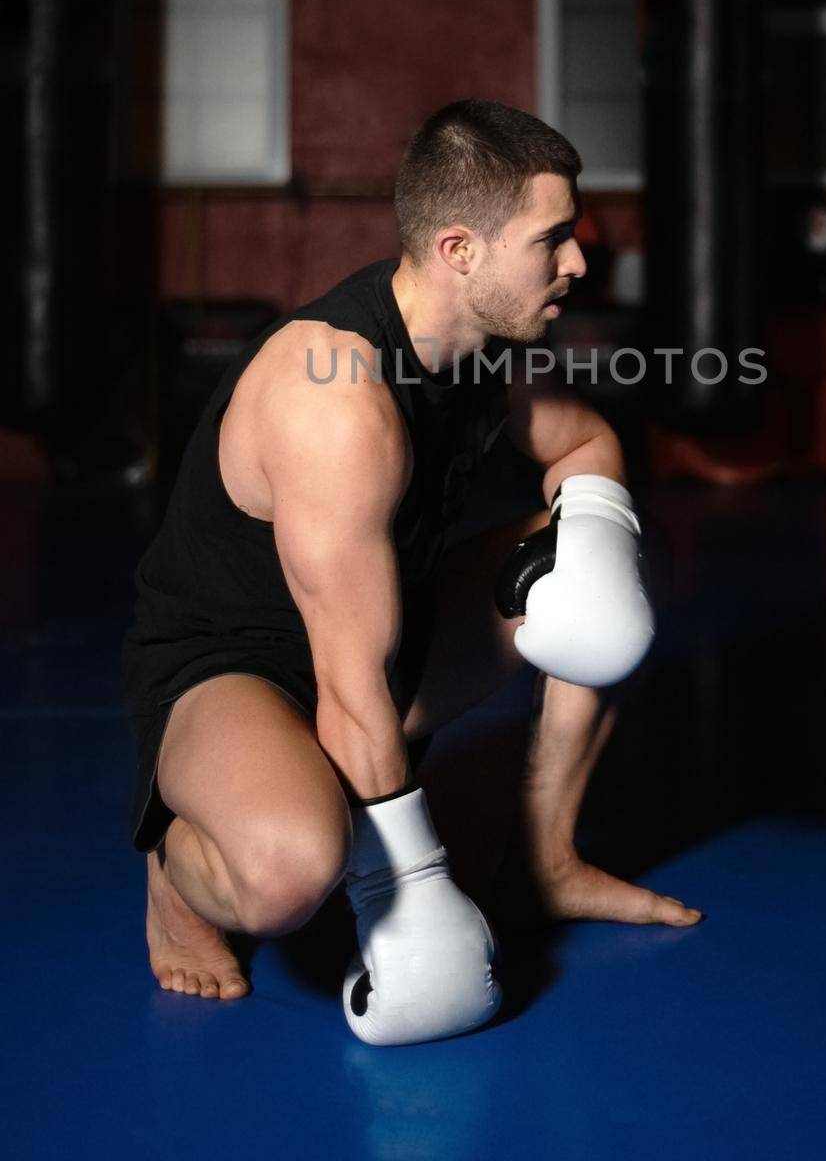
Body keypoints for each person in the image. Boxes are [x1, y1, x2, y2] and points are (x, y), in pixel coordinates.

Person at [122, 99, 702, 1045]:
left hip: (383, 638)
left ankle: (547, 861)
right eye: (552, 240)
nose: (578, 264)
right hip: (239, 668)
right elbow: (350, 692)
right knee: (288, 868)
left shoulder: (490, 346)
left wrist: (596, 541)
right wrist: (413, 892)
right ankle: (177, 878)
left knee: (598, 565)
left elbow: (587, 443)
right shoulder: (335, 399)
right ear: (460, 249)